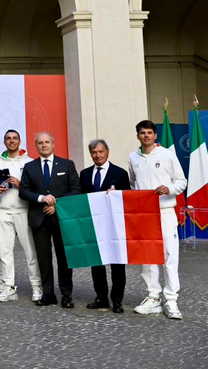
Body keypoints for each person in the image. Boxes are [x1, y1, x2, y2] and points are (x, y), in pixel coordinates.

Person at [129, 120, 186, 320]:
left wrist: (169, 189)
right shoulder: (132, 157)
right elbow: (133, 184)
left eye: (149, 132)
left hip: (165, 211)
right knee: (148, 255)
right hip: (145, 215)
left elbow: (182, 181)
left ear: (155, 135)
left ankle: (171, 299)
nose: (146, 136)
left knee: (169, 254)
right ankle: (153, 297)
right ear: (138, 136)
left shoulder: (167, 155)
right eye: (142, 133)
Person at [19, 131, 80, 309]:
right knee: (43, 258)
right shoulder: (29, 167)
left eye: (47, 142)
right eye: (40, 143)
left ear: (53, 144)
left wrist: (57, 205)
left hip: (61, 218)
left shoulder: (67, 164)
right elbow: (23, 191)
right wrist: (41, 198)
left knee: (64, 258)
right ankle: (48, 294)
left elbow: (76, 189)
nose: (44, 145)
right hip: (39, 219)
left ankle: (66, 295)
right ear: (36, 146)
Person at [0, 129, 41, 303]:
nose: (11, 141)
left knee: (30, 251)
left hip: (23, 211)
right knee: (4, 252)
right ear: (4, 142)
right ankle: (8, 287)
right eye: (8, 139)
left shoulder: (29, 162)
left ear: (19, 141)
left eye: (14, 138)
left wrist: (20, 184)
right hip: (2, 211)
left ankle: (36, 286)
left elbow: (36, 188)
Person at [81, 139, 129, 313]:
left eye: (100, 152)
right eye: (94, 152)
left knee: (117, 263)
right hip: (94, 224)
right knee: (96, 263)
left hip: (114, 225)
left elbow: (128, 198)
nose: (97, 155)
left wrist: (119, 194)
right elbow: (81, 198)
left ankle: (117, 300)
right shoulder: (85, 174)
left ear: (107, 152)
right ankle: (101, 298)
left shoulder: (120, 173)